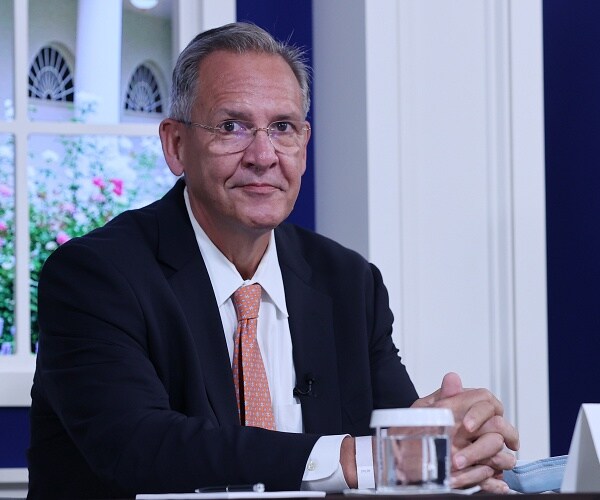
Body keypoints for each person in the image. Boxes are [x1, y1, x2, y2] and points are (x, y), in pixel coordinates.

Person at [27, 22, 518, 499]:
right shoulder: (95, 276)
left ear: (303, 144)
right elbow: (138, 447)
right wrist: (353, 459)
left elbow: (398, 452)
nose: (263, 155)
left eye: (282, 127)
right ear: (176, 145)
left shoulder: (348, 283)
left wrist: (455, 447)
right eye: (232, 127)